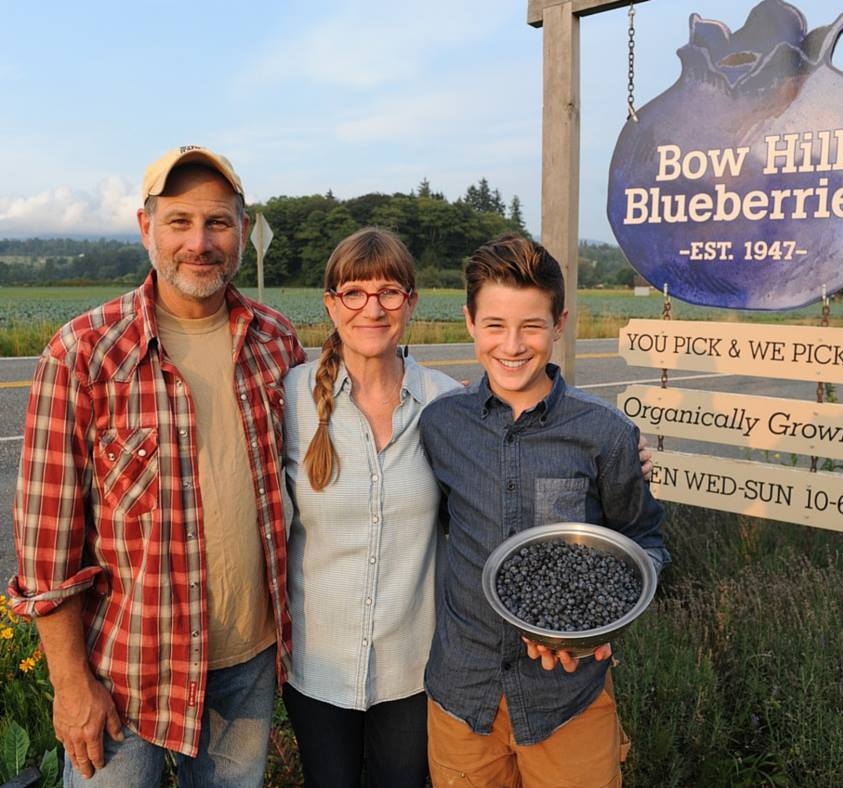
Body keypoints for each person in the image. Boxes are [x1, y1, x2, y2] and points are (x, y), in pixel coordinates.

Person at [7, 145, 307, 787]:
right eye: (179, 222)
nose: (200, 242)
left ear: (243, 231)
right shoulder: (84, 352)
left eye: (219, 222)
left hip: (245, 666)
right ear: (147, 229)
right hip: (123, 673)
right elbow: (45, 549)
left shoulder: (277, 344)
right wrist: (69, 684)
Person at [418, 234, 670, 788]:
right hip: (464, 697)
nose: (512, 345)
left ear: (558, 324)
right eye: (494, 325)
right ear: (469, 322)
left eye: (532, 326)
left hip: (567, 700)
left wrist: (601, 622)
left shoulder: (605, 432)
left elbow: (643, 541)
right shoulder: (441, 425)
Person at [279, 227, 462, 787]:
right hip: (317, 664)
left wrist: (620, 452)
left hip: (413, 666)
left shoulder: (447, 403)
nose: (372, 308)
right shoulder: (288, 398)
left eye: (389, 292)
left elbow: (512, 472)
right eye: (354, 293)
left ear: (411, 302)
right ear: (332, 304)